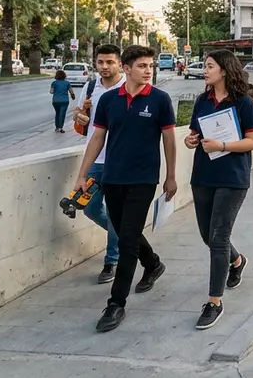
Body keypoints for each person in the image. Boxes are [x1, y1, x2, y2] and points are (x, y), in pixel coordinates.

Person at [72, 45, 177, 333]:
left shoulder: (160, 99)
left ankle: (116, 303)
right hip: (112, 177)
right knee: (122, 230)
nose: (148, 71)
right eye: (142, 66)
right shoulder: (108, 100)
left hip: (143, 179)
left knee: (127, 241)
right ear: (127, 69)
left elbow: (169, 139)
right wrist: (82, 175)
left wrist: (171, 176)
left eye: (151, 66)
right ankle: (152, 263)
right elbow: (97, 138)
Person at [182, 50, 253, 330]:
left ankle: (214, 302)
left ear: (224, 70)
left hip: (232, 178)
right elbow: (195, 133)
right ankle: (237, 260)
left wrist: (223, 146)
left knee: (218, 238)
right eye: (205, 66)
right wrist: (191, 140)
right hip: (203, 175)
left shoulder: (243, 102)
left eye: (209, 66)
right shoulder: (202, 100)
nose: (205, 70)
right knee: (208, 235)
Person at [71, 44, 124, 284]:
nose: (104, 67)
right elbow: (78, 112)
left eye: (110, 62)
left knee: (114, 213)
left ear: (120, 64)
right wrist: (79, 116)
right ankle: (125, 238)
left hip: (118, 160)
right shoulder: (91, 87)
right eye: (100, 62)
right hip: (94, 159)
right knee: (89, 207)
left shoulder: (127, 86)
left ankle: (112, 260)